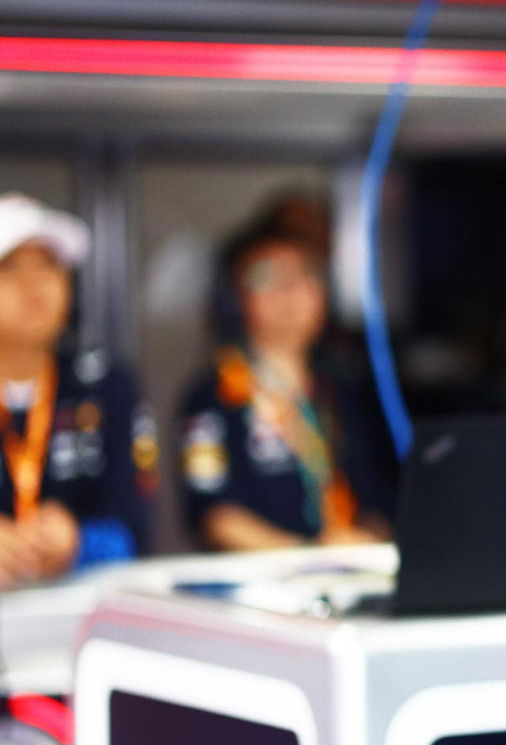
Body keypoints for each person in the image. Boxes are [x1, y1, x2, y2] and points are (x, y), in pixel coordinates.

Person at [178, 219, 393, 550]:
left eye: (304, 275)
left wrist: (370, 540)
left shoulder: (341, 390)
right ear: (235, 298)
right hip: (262, 582)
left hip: (349, 571)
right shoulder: (215, 395)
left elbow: (379, 498)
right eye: (268, 278)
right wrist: (308, 556)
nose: (289, 292)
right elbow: (217, 518)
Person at [0, 194, 155, 588]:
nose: (34, 284)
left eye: (50, 265)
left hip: (74, 613)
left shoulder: (106, 386)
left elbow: (139, 530)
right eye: (11, 267)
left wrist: (78, 542)